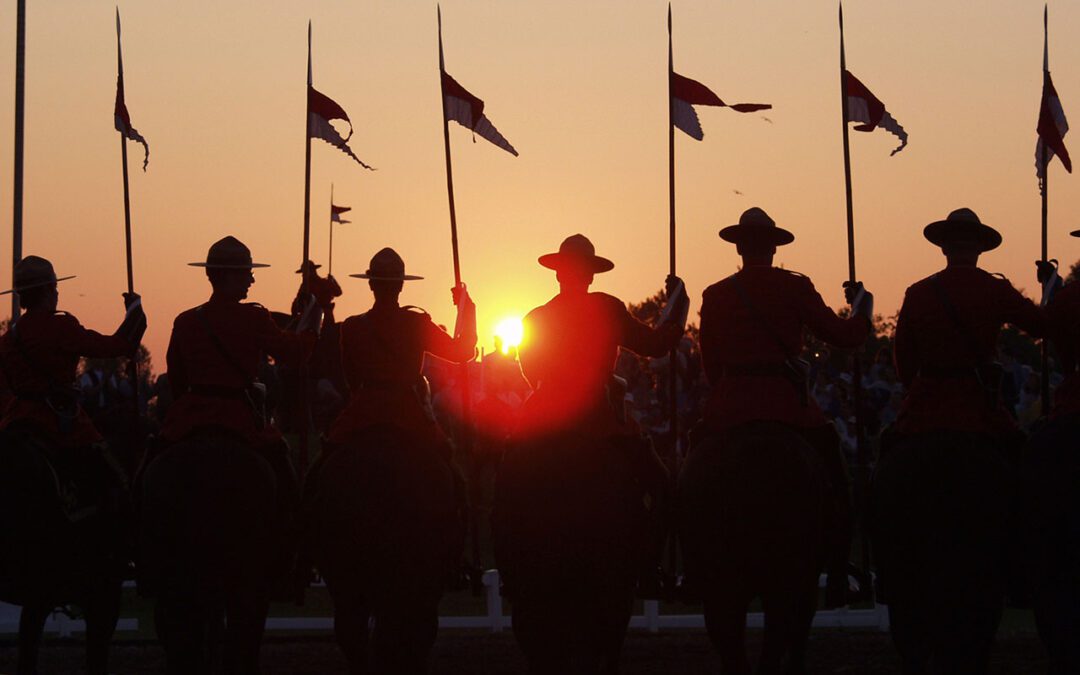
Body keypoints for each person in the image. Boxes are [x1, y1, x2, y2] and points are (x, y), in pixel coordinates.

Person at [498, 234, 686, 673]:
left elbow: (529, 371)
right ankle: (650, 570)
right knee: (661, 485)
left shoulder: (536, 317)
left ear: (559, 273)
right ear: (589, 274)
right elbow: (657, 344)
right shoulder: (608, 308)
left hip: (544, 420)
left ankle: (509, 570)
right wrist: (677, 304)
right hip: (601, 422)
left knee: (504, 488)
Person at [879, 208, 1045, 673]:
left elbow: (904, 363)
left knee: (882, 473)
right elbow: (1040, 326)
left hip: (923, 414)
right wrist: (1050, 285)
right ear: (978, 248)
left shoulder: (918, 292)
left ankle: (876, 563)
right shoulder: (993, 289)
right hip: (979, 415)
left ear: (944, 247)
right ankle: (1023, 572)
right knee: (1028, 479)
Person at [697, 207, 873, 606]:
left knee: (692, 476)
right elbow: (845, 336)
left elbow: (710, 367)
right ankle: (839, 571)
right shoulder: (795, 287)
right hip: (789, 409)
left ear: (739, 248)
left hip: (730, 408)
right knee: (836, 482)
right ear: (774, 249)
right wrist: (862, 309)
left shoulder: (716, 294)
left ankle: (691, 565)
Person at [0, 255, 146, 675]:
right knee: (116, 480)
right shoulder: (61, 327)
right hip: (60, 426)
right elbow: (117, 347)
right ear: (49, 291)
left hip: (16, 424)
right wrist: (135, 311)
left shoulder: (9, 339)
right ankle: (122, 553)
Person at [325, 247, 476, 450]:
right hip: (409, 413)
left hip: (364, 411)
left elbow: (351, 380)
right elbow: (462, 352)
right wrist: (468, 308)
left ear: (371, 284)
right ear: (401, 285)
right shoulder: (417, 323)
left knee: (328, 455)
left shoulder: (352, 327)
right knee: (445, 458)